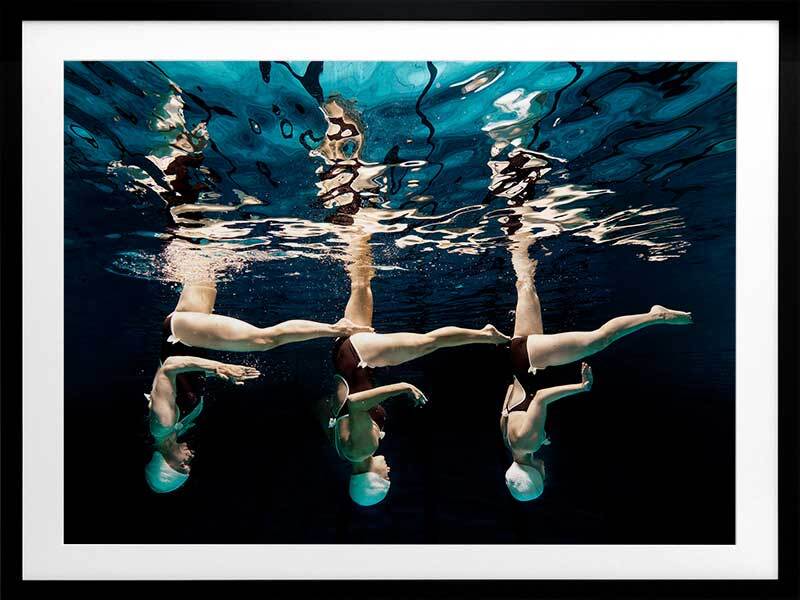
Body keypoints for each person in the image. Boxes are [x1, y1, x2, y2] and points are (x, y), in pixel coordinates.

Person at [326, 230, 510, 506]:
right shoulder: (345, 453)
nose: (389, 472)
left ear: (373, 481)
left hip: (358, 356)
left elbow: (354, 403)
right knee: (361, 282)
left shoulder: (362, 449)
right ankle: (357, 229)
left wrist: (403, 387)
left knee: (428, 343)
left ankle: (484, 335)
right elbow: (333, 406)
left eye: (386, 478)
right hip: (347, 358)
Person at [500, 236, 692, 501]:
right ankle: (518, 236)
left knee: (599, 340)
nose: (546, 473)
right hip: (519, 358)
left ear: (533, 477)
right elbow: (512, 395)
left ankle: (655, 316)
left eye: (542, 478)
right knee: (525, 285)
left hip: (534, 359)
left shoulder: (529, 443)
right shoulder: (512, 444)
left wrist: (581, 387)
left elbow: (541, 398)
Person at [145, 279, 373, 494]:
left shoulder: (162, 425)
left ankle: (337, 329)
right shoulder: (177, 427)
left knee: (264, 340)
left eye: (182, 466)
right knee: (203, 270)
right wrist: (220, 374)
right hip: (188, 337)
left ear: (166, 464)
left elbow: (170, 367)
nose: (189, 459)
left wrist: (217, 368)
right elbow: (183, 377)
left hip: (181, 334)